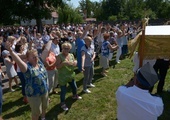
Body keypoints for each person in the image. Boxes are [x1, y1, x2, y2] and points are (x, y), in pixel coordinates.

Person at [5, 40, 49, 120]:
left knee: (45, 106)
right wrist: (11, 51)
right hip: (34, 94)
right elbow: (18, 60)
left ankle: (43, 117)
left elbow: (46, 50)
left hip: (44, 90)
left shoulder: (40, 63)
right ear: (27, 58)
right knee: (36, 112)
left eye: (36, 56)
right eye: (33, 57)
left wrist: (52, 39)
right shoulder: (27, 68)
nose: (36, 58)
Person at [56, 42, 82, 111]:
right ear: (62, 48)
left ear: (70, 49)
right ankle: (62, 103)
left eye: (68, 48)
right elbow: (57, 66)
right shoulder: (59, 56)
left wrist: (75, 62)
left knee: (74, 87)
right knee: (63, 91)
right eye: (65, 48)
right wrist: (63, 63)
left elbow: (74, 62)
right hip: (63, 76)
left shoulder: (71, 55)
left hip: (71, 75)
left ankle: (74, 95)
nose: (66, 50)